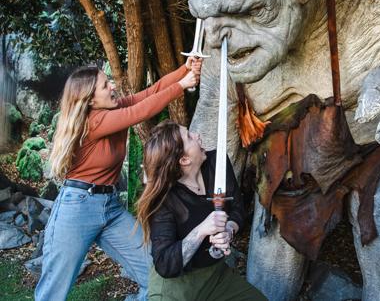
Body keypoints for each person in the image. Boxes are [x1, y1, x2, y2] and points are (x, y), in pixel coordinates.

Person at [35, 57, 202, 301]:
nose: (112, 86)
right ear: (90, 100)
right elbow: (140, 111)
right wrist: (182, 85)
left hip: (110, 208)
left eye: (109, 82)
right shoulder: (94, 121)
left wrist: (183, 70)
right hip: (77, 209)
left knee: (154, 271)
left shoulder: (112, 110)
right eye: (105, 85)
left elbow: (151, 92)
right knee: (54, 290)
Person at [136, 120, 267, 301]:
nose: (197, 135)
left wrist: (229, 229)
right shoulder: (164, 200)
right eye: (190, 136)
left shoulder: (217, 163)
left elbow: (237, 208)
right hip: (177, 286)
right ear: (184, 159)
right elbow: (165, 264)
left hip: (215, 276)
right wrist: (201, 230)